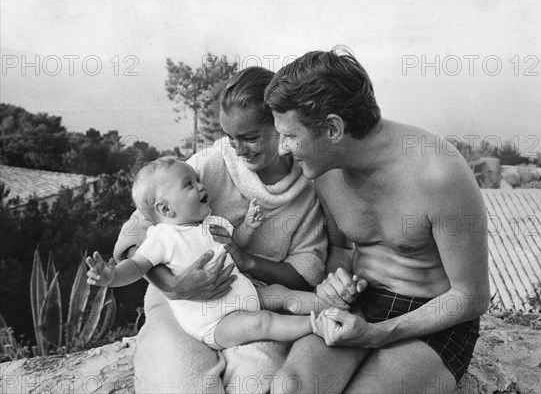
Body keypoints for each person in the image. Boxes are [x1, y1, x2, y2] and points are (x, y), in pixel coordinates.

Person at [265, 48, 490, 394]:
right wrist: (335, 286)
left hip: (433, 317)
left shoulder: (438, 173)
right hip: (361, 303)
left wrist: (379, 334)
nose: (283, 149)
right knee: (289, 388)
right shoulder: (323, 170)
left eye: (290, 136)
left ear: (333, 128)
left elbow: (472, 296)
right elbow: (340, 248)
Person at [112, 67, 330, 393]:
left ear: (281, 126)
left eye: (251, 137)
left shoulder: (305, 192)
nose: (239, 151)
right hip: (180, 310)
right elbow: (136, 231)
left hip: (252, 304)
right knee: (178, 384)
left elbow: (305, 273)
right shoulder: (208, 165)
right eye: (231, 138)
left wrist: (250, 262)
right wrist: (174, 286)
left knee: (255, 384)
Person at [91, 158, 359, 349]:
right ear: (166, 209)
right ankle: (317, 325)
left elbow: (235, 244)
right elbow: (137, 266)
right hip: (216, 322)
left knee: (280, 293)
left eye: (197, 179)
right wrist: (111, 276)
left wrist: (249, 226)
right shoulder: (162, 237)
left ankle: (335, 305)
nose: (200, 185)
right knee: (262, 322)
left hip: (246, 294)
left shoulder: (212, 223)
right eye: (188, 184)